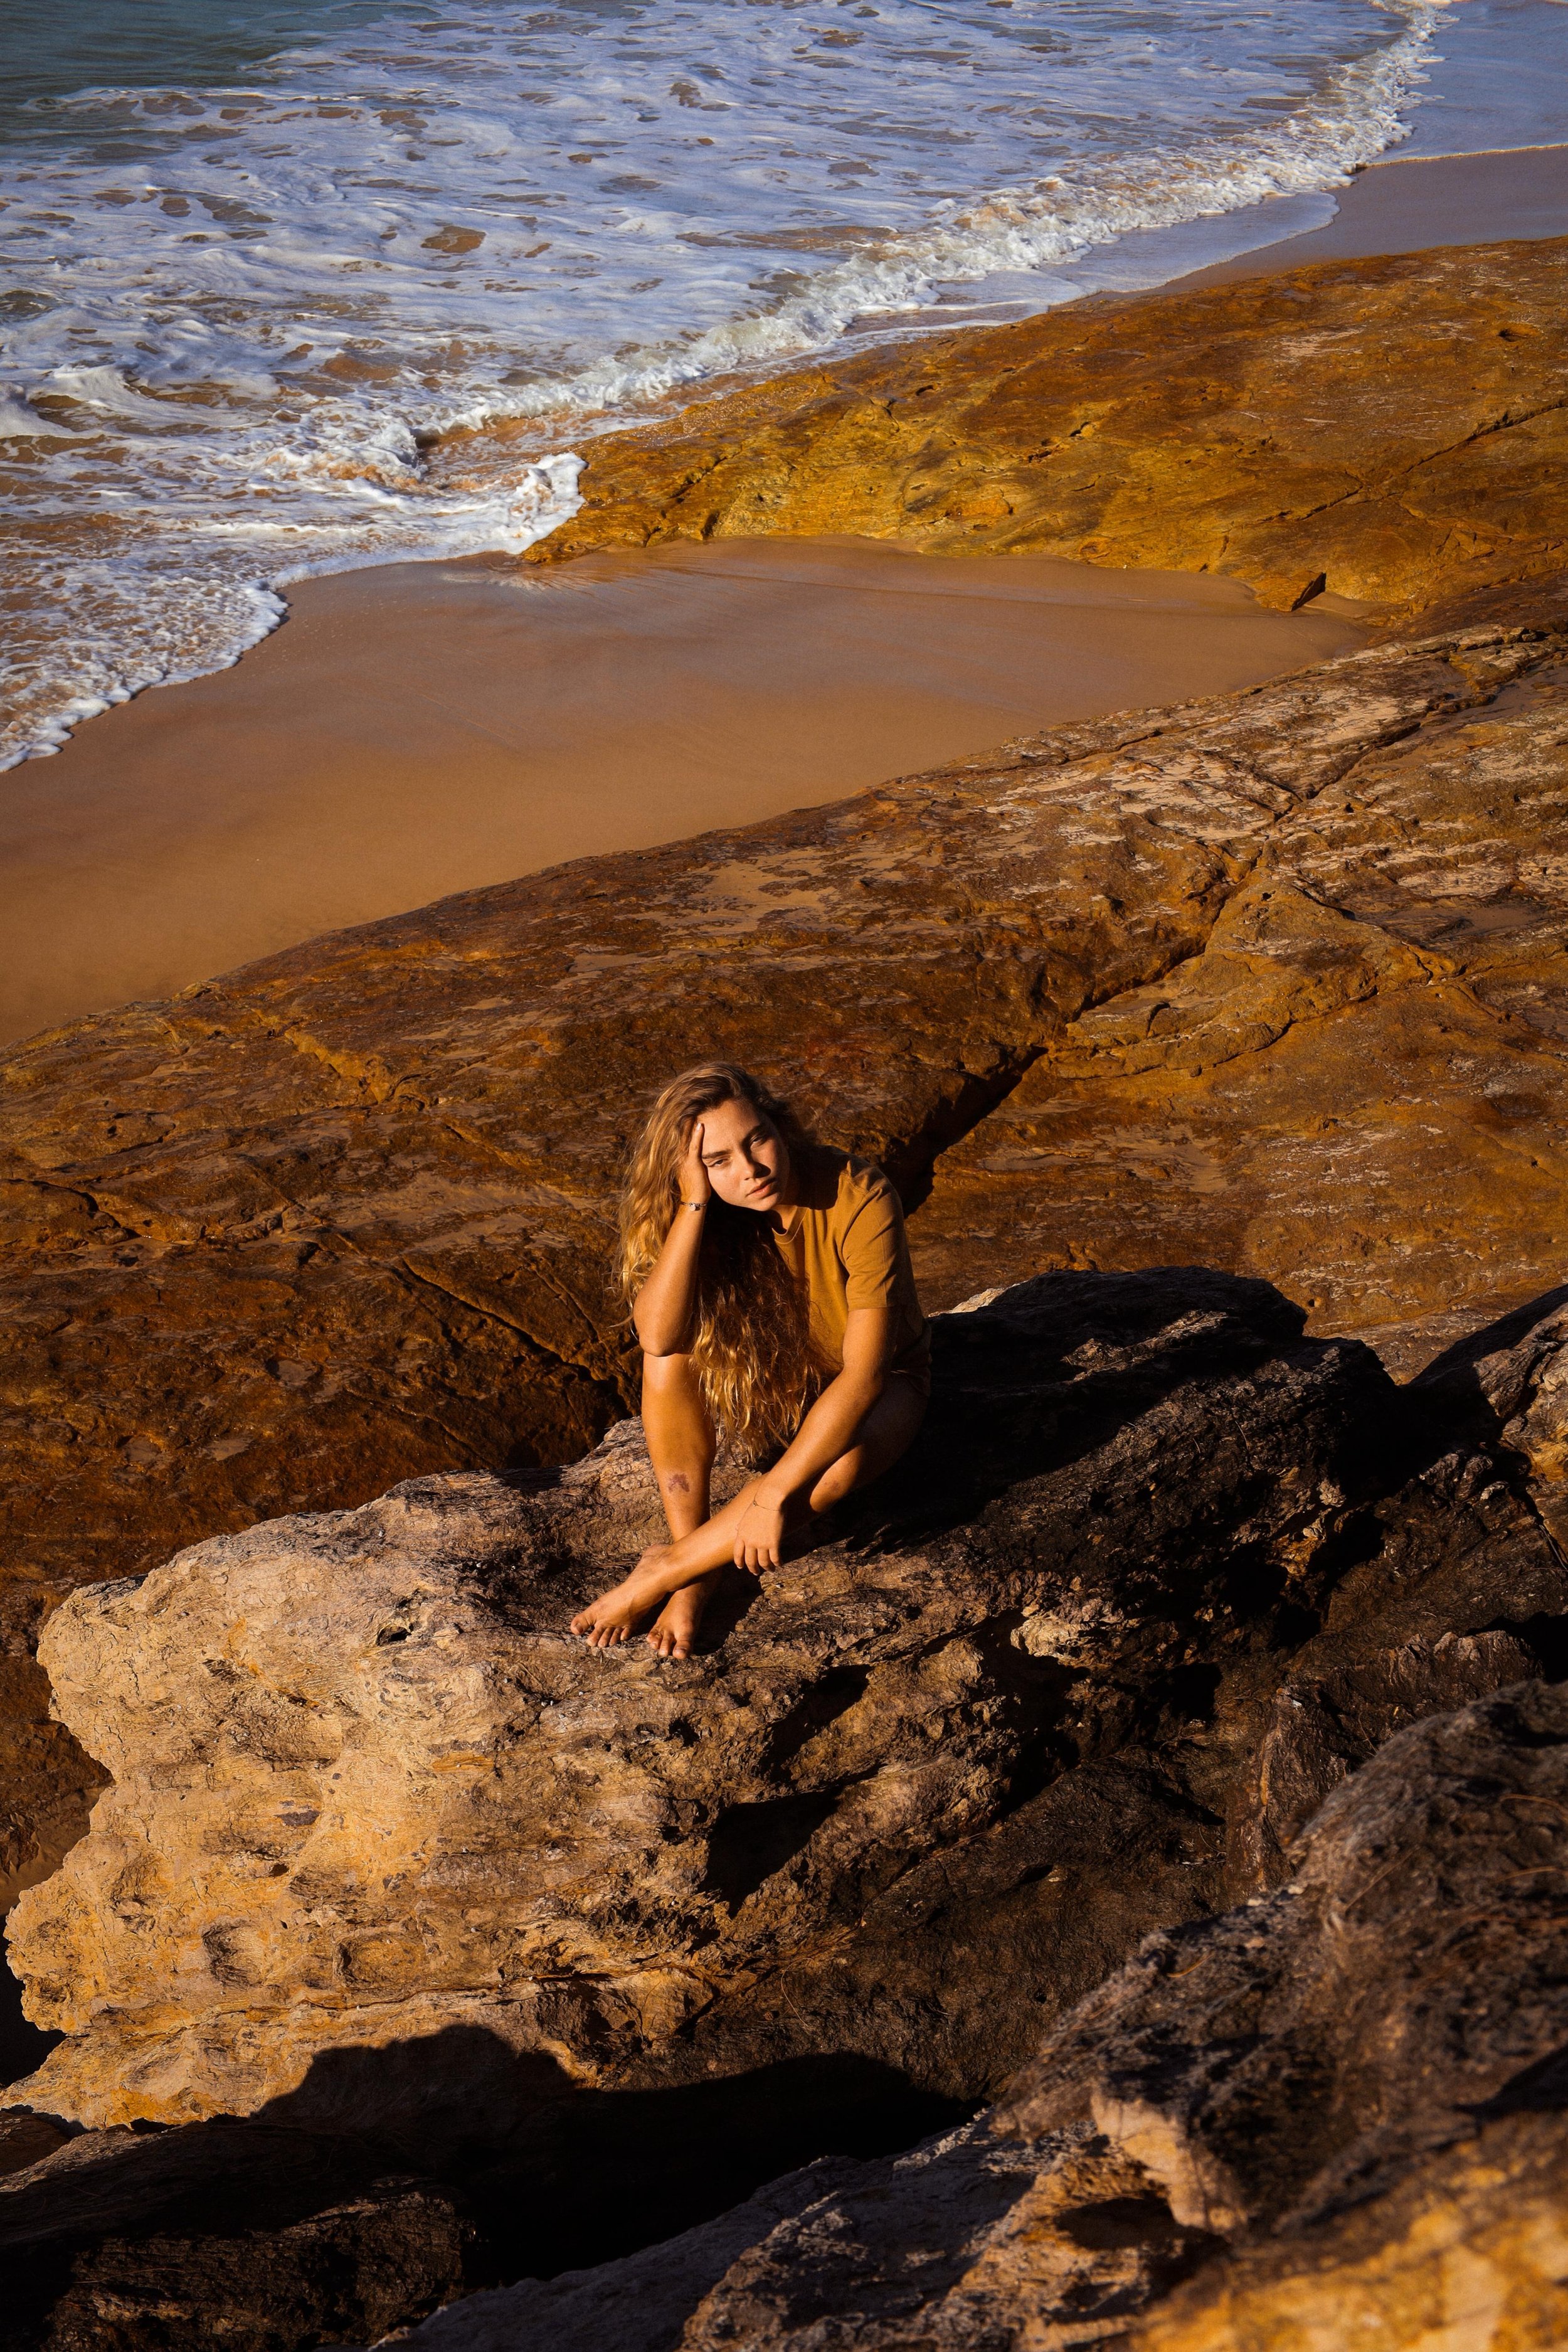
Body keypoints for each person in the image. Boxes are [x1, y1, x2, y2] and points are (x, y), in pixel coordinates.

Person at [571, 1062, 929, 1659]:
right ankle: (699, 1567)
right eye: (719, 1161)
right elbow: (657, 1335)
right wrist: (693, 1204)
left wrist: (772, 1494)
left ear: (779, 1125)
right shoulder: (707, 1206)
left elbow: (865, 1376)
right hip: (779, 1377)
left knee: (833, 1471)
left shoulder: (859, 1194)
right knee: (668, 1359)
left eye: (756, 1139)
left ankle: (670, 1571)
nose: (751, 1169)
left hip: (880, 1383)